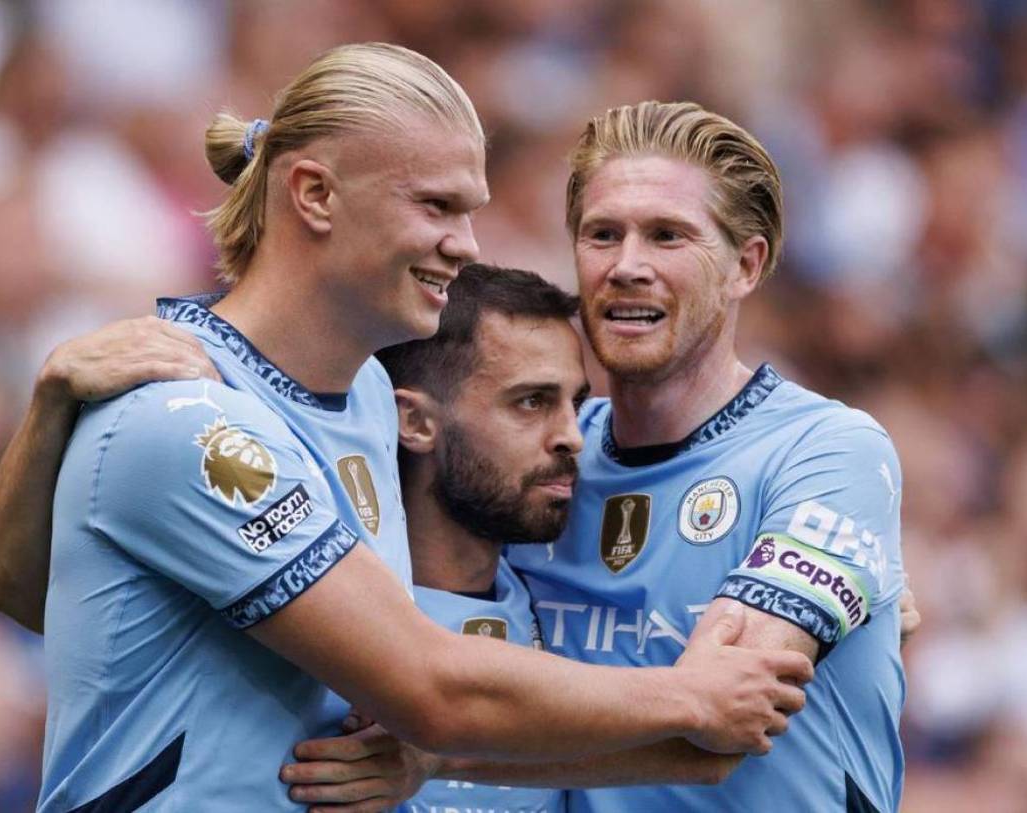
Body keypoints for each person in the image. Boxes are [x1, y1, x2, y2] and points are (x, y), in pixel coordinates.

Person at [0, 46, 812, 811]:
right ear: (314, 195)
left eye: (472, 209)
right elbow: (430, 686)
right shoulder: (189, 415)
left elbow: (38, 589)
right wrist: (694, 694)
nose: (465, 244)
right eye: (437, 206)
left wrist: (838, 583)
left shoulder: (374, 396)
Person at [284, 102, 909, 812]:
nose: (626, 266)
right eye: (602, 235)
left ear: (747, 264)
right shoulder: (540, 455)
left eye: (667, 236)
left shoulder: (825, 452)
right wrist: (137, 357)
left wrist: (436, 750)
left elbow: (722, 722)